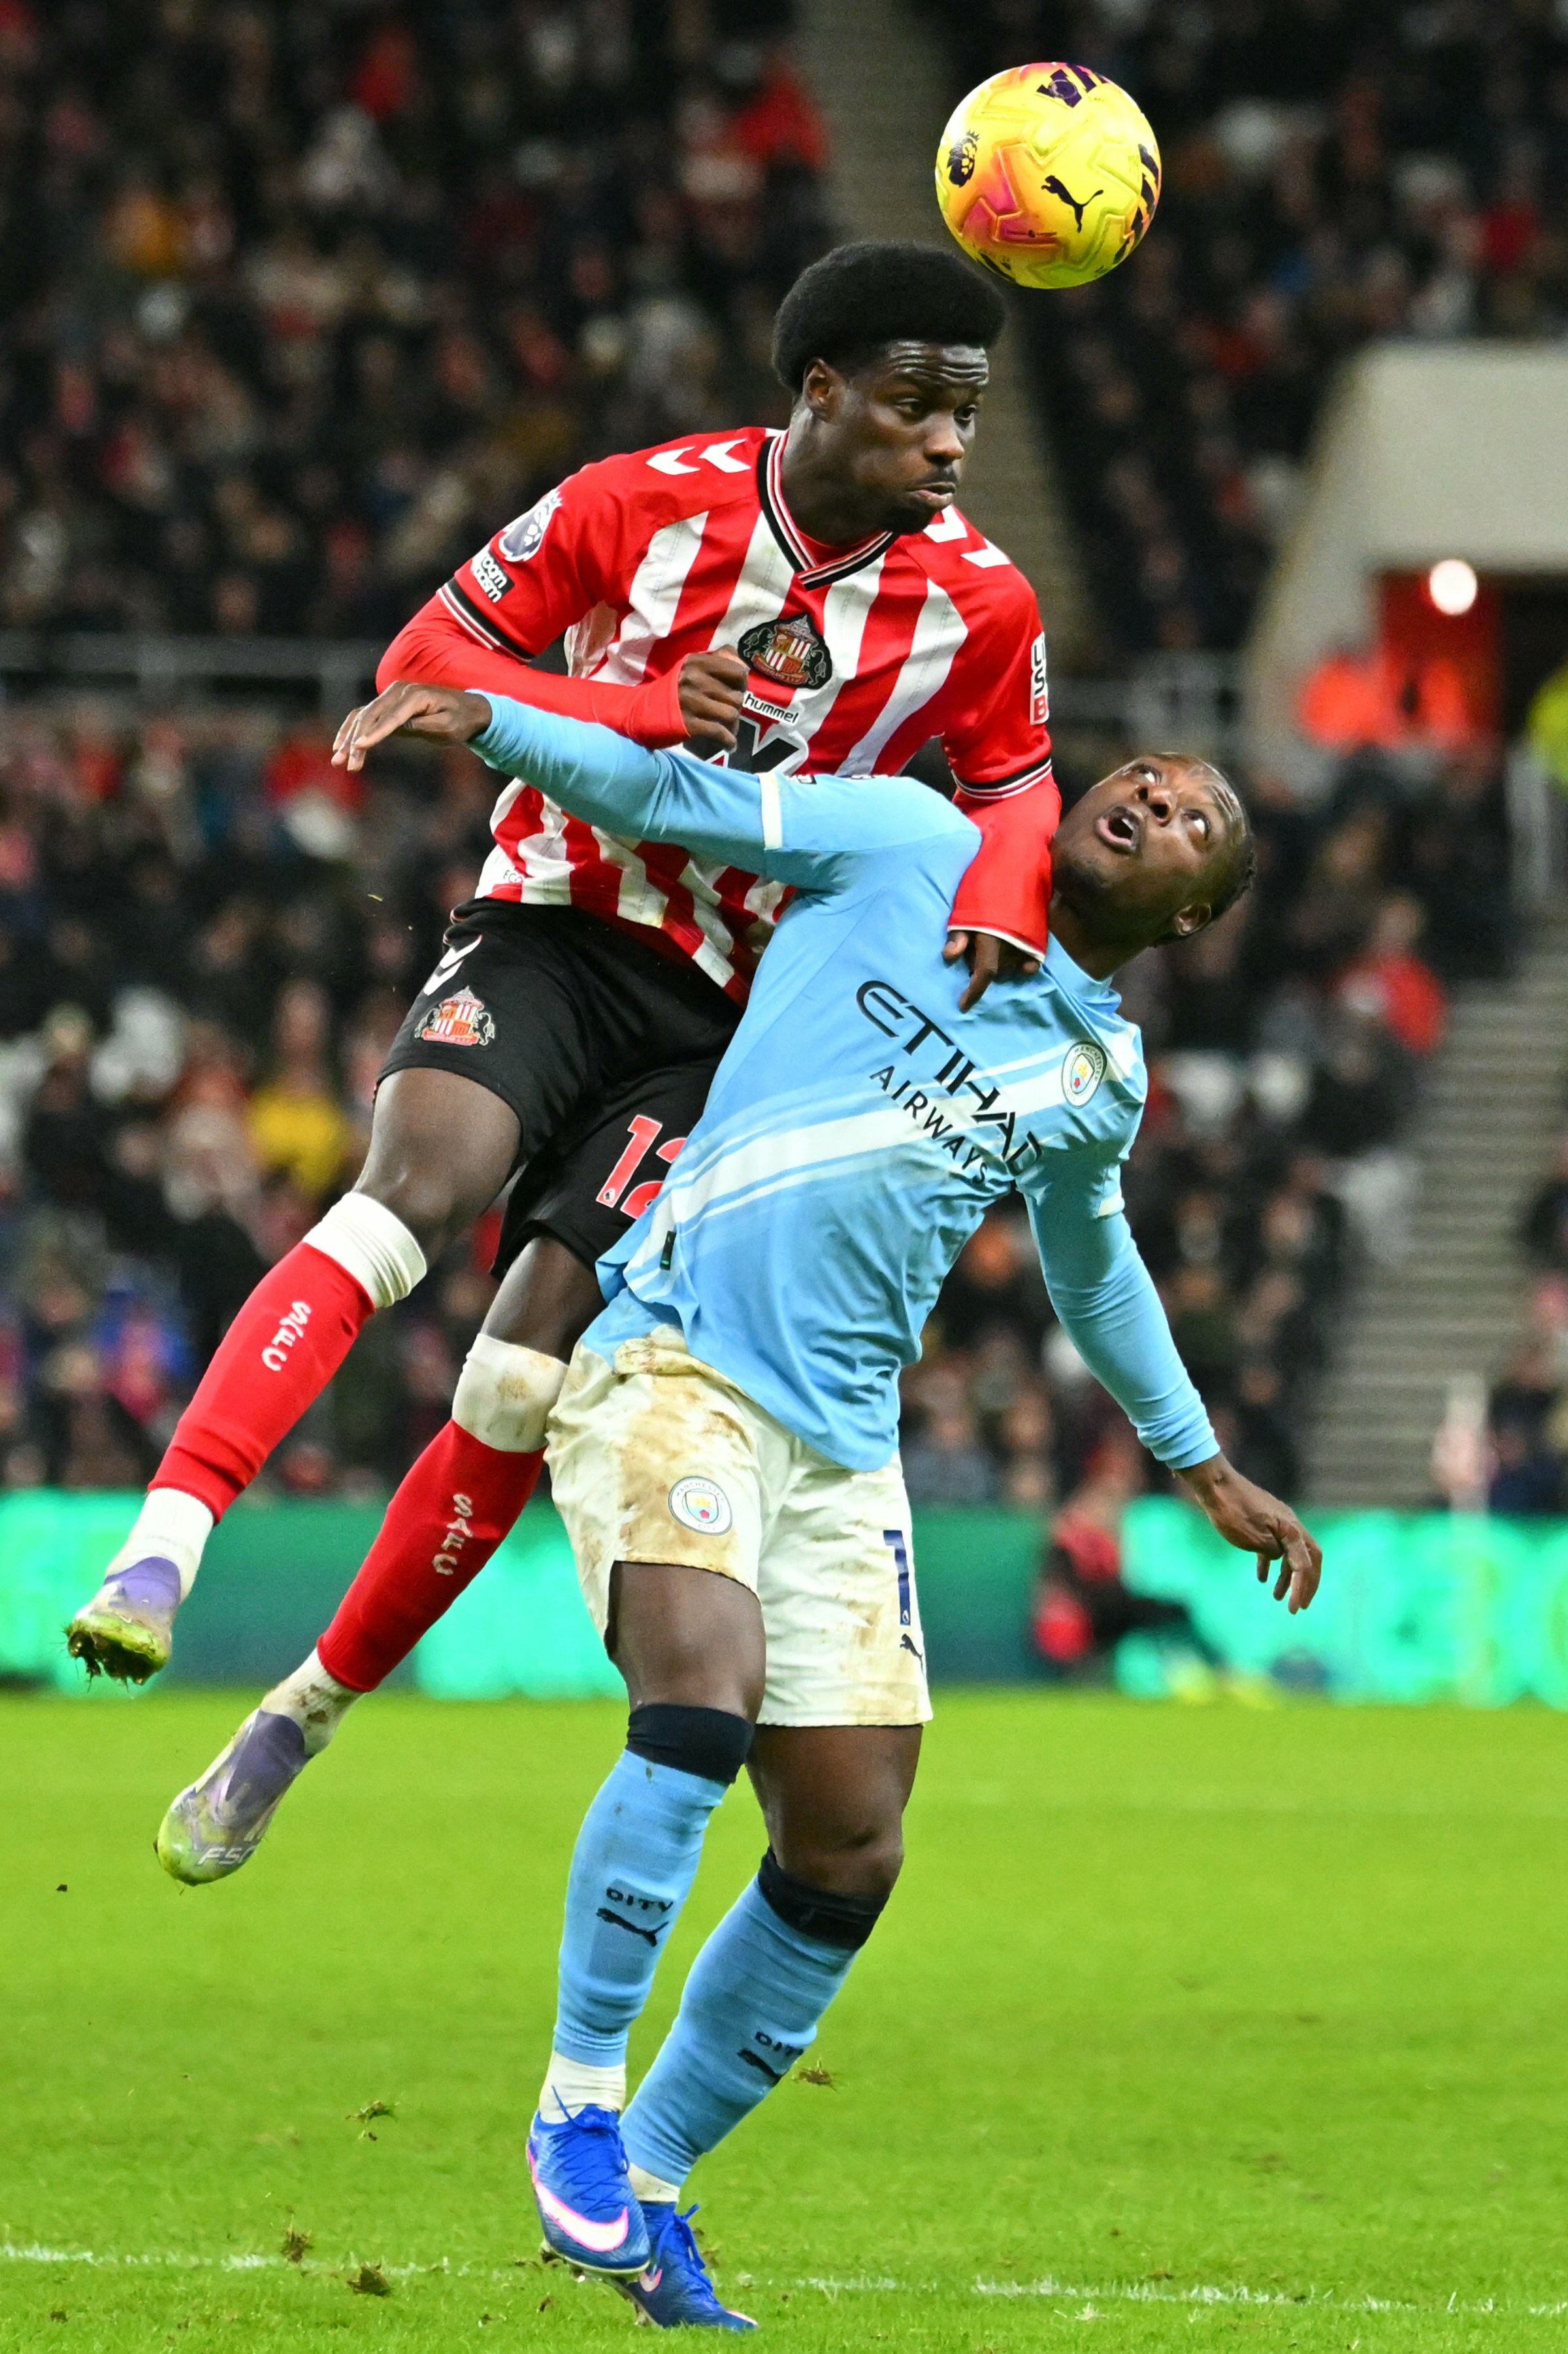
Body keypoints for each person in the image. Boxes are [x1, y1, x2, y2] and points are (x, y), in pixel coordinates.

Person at [157, 687, 1320, 2327]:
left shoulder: (1095, 1067)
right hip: (668, 1348)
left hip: (842, 1445)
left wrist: (1197, 1457)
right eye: (1142, 773)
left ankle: (647, 2177)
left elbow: (1092, 1257)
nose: (1148, 795)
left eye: (1193, 812)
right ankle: (572, 2097)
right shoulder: (915, 843)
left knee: (850, 1844)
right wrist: (490, 715)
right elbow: (672, 792)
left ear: (1196, 910)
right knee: (698, 1696)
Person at [67, 239, 1060, 1691]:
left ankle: (307, 1708)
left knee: (526, 1357)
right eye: (919, 403)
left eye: (967, 412)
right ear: (824, 389)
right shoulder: (637, 500)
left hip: (727, 1021)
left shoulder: (986, 606)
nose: (950, 442)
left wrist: (1005, 904)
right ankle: (160, 1547)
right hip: (553, 920)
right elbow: (427, 659)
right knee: (403, 1205)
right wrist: (645, 703)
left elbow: (1017, 785)